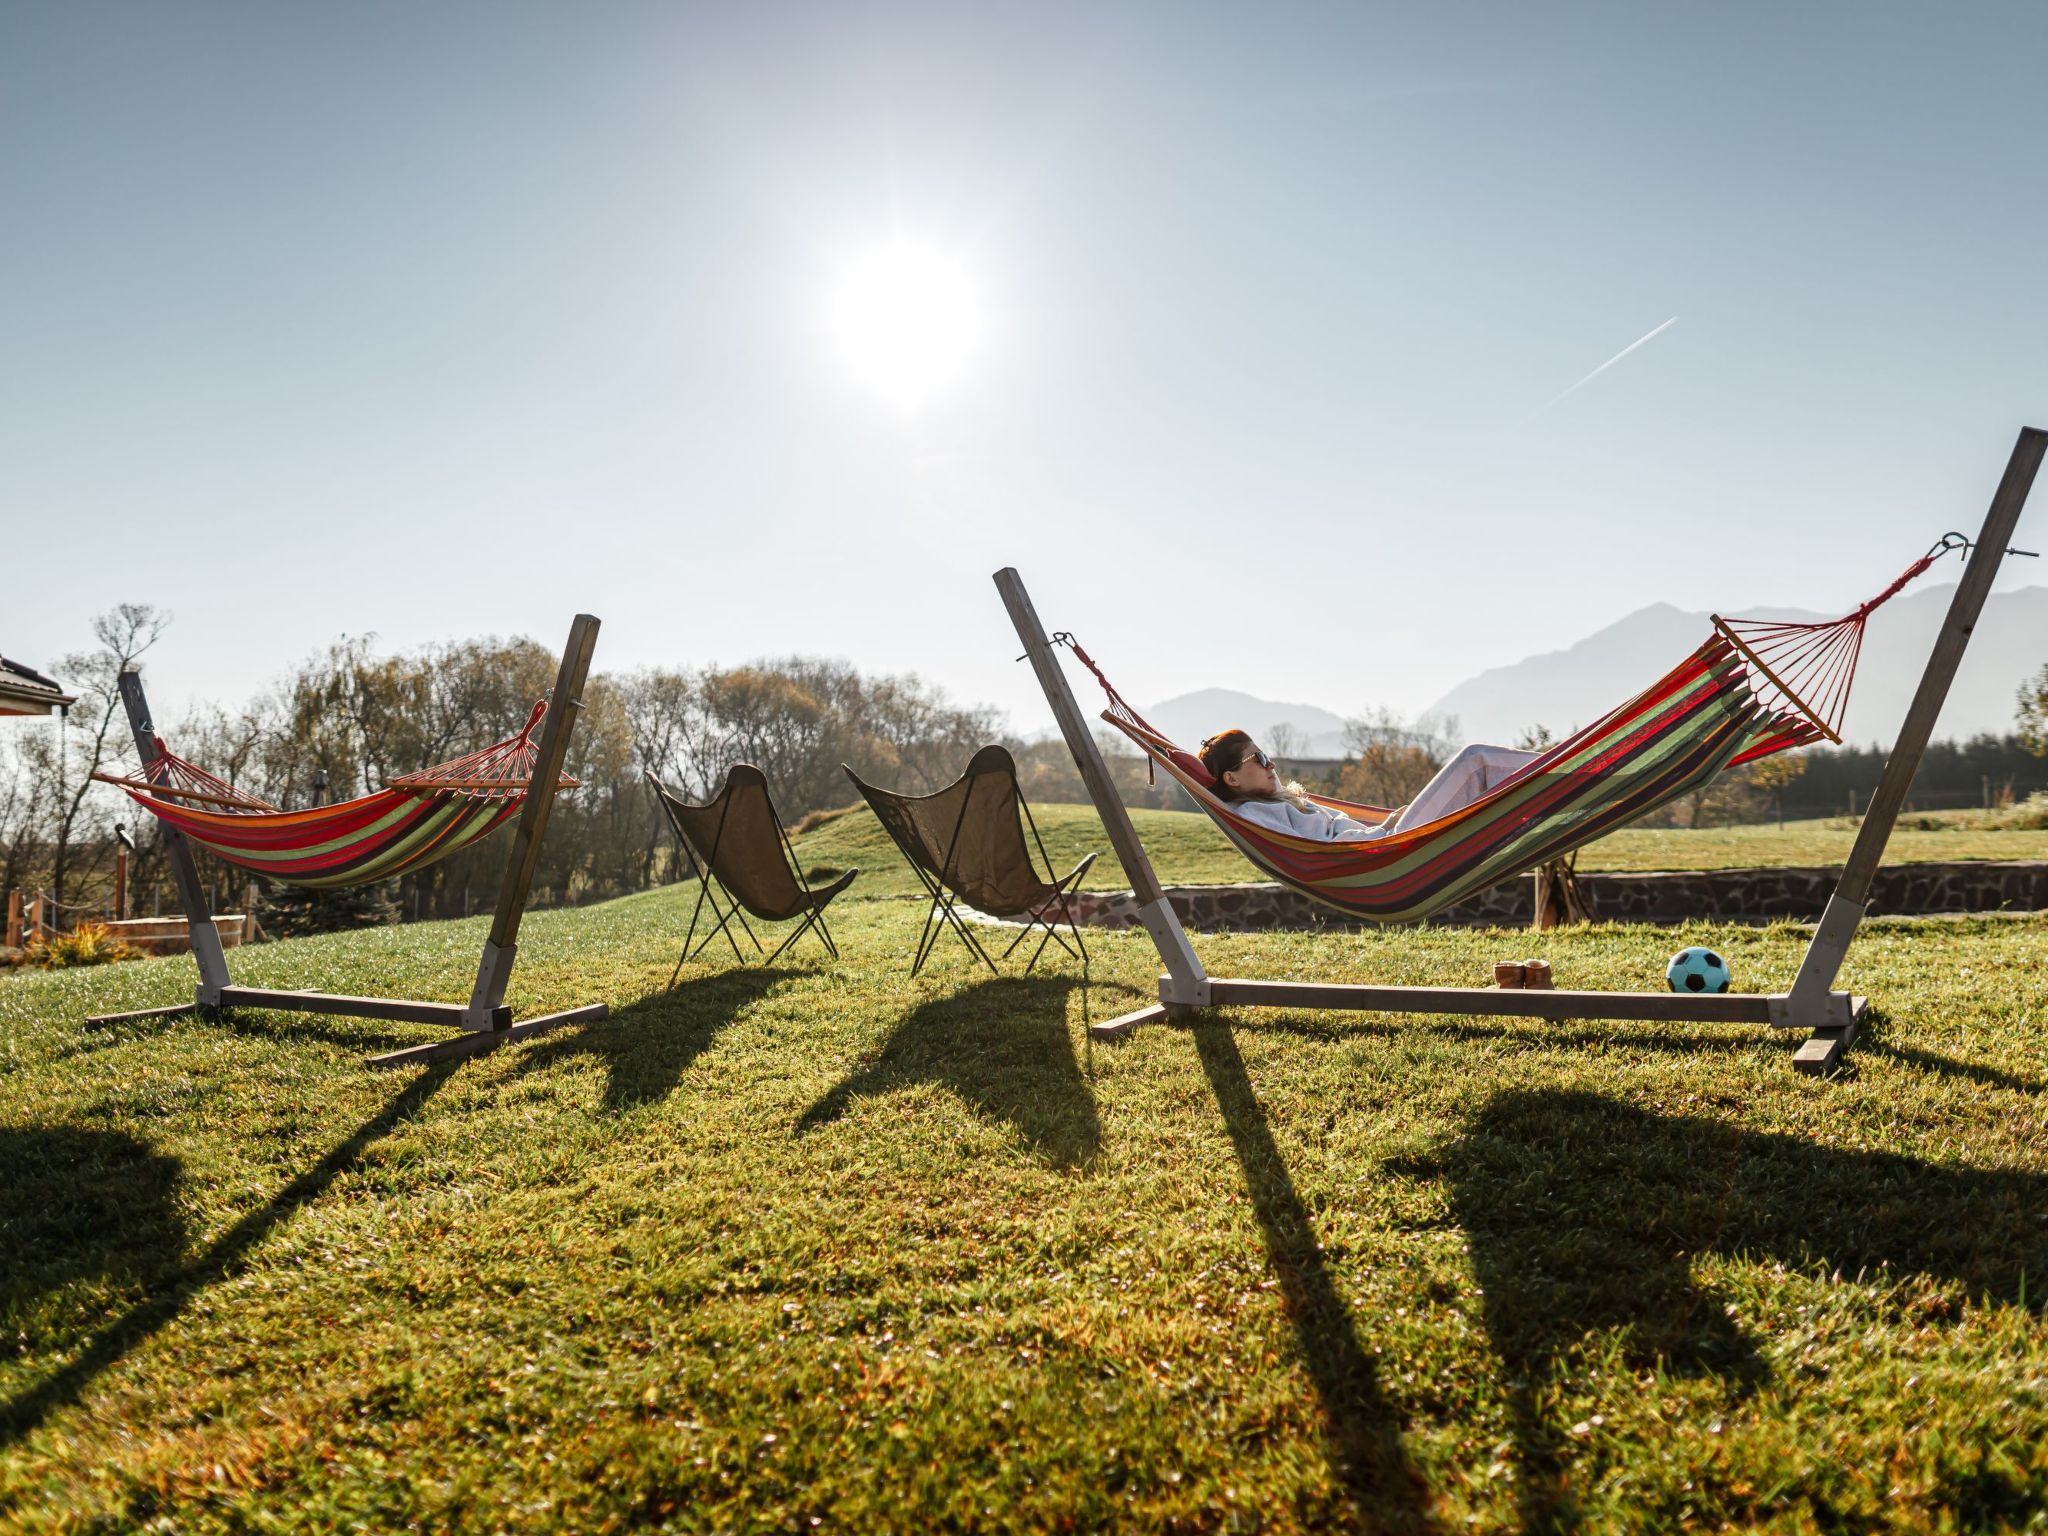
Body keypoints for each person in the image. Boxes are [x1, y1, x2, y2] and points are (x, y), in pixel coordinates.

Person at [1196, 728, 1540, 842]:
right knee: (1475, 761)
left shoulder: (1278, 801)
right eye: (1258, 758)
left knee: (1478, 769)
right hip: (1388, 848)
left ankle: (1562, 779)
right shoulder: (1256, 815)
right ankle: (1570, 771)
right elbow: (1329, 852)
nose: (1271, 764)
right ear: (1232, 778)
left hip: (1391, 839)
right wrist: (1387, 828)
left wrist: (1387, 821)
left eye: (1267, 755)